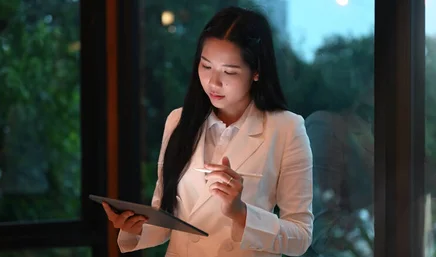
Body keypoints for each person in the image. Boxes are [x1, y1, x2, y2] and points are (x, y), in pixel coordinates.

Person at [102, 6, 313, 257]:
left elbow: (300, 237)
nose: (213, 82)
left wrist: (240, 213)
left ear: (256, 72)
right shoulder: (179, 121)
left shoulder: (286, 128)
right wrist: (135, 228)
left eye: (229, 72)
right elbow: (166, 215)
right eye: (206, 66)